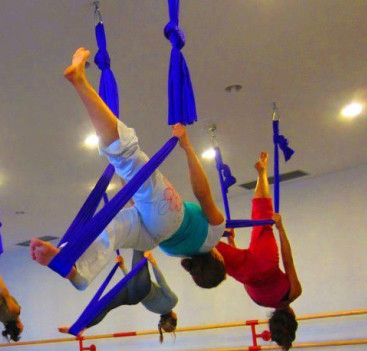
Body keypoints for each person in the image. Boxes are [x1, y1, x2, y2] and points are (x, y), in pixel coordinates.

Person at [30, 47, 227, 290]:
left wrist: (187, 146)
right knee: (110, 231)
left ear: (218, 258)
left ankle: (80, 81)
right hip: (152, 237)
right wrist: (127, 180)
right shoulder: (179, 253)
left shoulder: (215, 235)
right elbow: (142, 207)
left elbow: (202, 194)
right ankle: (73, 266)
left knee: (127, 156)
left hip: (170, 216)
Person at [215, 152, 302, 350]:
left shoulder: (294, 293)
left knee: (262, 218)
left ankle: (262, 173)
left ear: (292, 316)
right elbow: (245, 272)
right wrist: (232, 245)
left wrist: (280, 228)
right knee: (209, 245)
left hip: (266, 263)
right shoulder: (258, 301)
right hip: (245, 274)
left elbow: (289, 261)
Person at [58, 250, 178, 341]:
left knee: (140, 245)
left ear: (175, 318)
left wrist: (153, 262)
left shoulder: (172, 301)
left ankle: (81, 326)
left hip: (140, 287)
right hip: (132, 297)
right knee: (105, 306)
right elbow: (135, 287)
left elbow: (160, 281)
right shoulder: (154, 310)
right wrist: (123, 267)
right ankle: (81, 327)